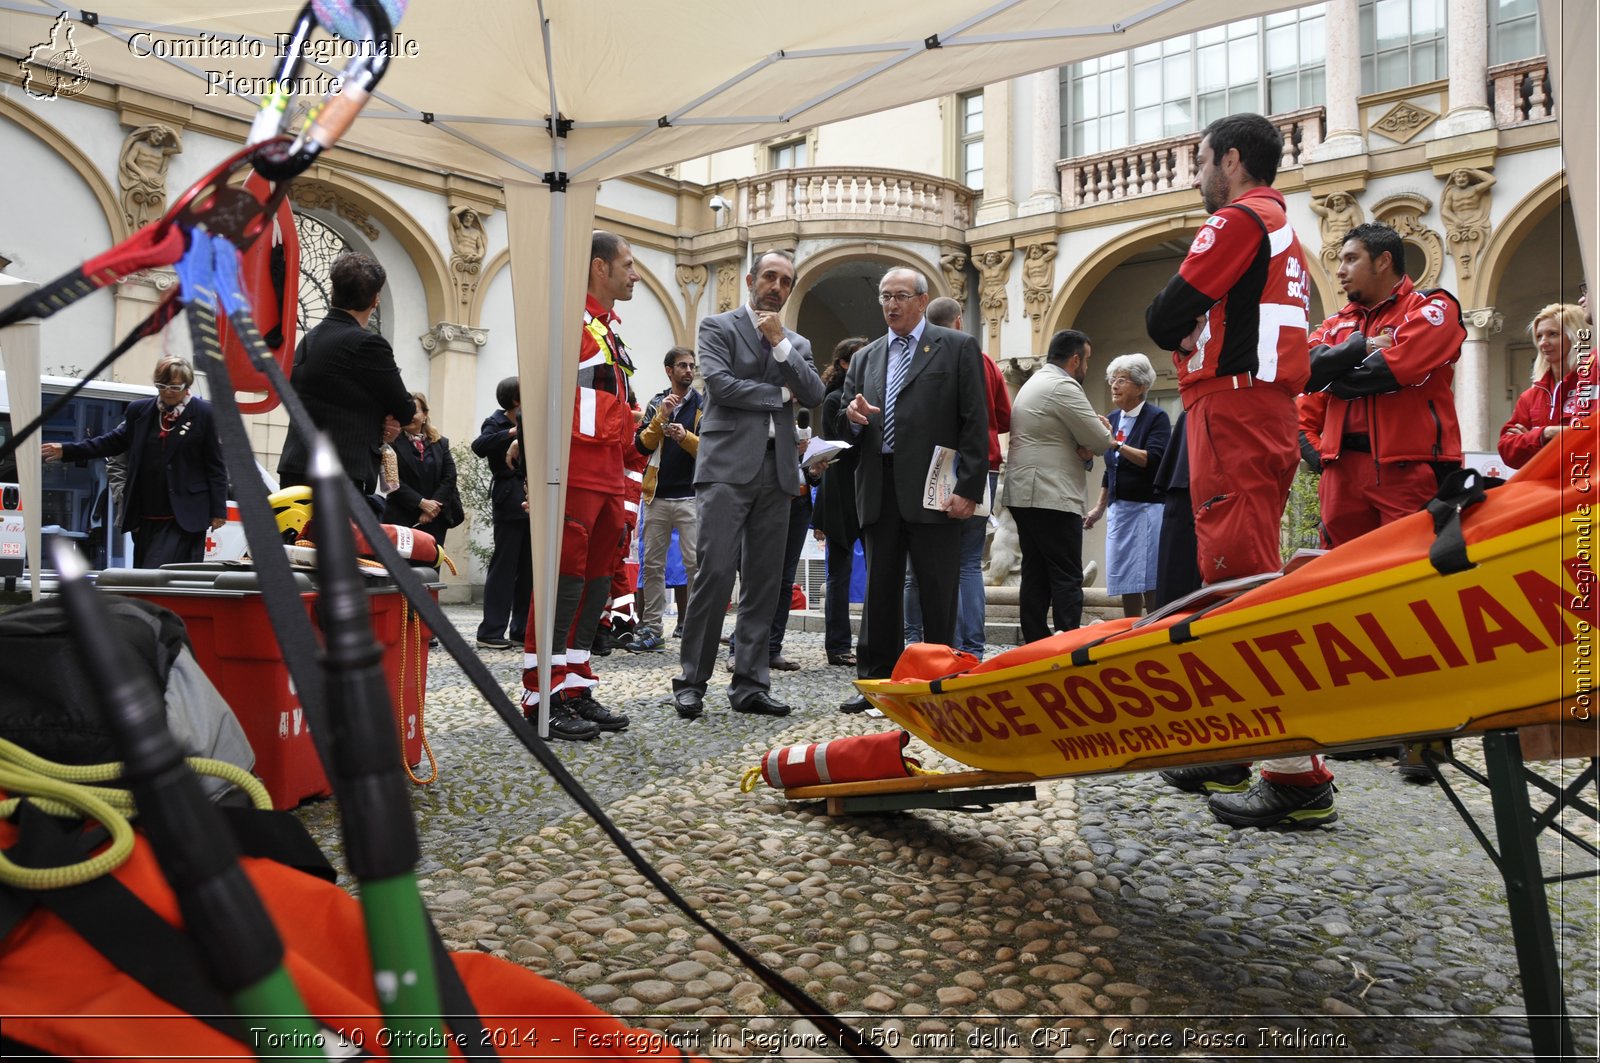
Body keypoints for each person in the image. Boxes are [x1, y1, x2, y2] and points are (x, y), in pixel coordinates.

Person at [1144, 112, 1329, 830]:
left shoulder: (1239, 219)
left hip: (1234, 403)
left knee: (1238, 580)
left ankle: (1292, 773)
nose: (1195, 179)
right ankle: (1235, 742)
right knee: (1240, 569)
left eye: (1199, 164)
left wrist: (1175, 326)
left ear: (1229, 158)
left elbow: (1167, 312)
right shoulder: (1282, 226)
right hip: (1260, 406)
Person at [670, 250, 824, 721]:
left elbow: (815, 393)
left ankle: (751, 684)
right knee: (715, 573)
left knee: (763, 583)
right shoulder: (718, 327)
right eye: (770, 276)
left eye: (786, 280)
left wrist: (780, 346)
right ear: (751, 279)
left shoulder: (795, 342)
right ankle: (691, 680)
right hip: (724, 470)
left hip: (777, 473)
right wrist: (780, 393)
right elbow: (720, 384)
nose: (776, 285)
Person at [835, 267, 988, 713]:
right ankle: (876, 682)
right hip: (878, 486)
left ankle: (937, 679)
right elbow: (846, 421)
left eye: (900, 296)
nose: (891, 304)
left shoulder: (956, 347)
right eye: (885, 296)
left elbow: (975, 420)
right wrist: (853, 417)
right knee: (880, 589)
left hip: (933, 487)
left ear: (922, 301)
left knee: (937, 588)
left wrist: (969, 487)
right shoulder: (866, 358)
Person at [519, 230, 640, 740]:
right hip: (573, 471)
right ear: (599, 267)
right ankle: (539, 694)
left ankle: (573, 685)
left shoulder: (608, 330)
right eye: (628, 264)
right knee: (561, 582)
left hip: (608, 473)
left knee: (593, 585)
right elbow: (541, 398)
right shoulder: (569, 323)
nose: (634, 274)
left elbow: (613, 406)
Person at [1298, 223, 1465, 546]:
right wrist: (1361, 347)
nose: (1340, 271)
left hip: (1408, 469)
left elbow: (1394, 369)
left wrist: (1334, 375)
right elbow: (1303, 372)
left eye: (1350, 259)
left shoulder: (1434, 307)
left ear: (1383, 261)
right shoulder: (1335, 324)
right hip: (1341, 474)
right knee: (1340, 577)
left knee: (1408, 574)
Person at [903, 296, 1012, 657]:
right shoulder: (981, 360)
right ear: (960, 321)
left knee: (919, 564)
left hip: (933, 465)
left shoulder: (922, 357)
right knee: (967, 562)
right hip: (984, 466)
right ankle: (972, 648)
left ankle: (916, 642)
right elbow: (1004, 417)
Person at [42, 356, 226, 568]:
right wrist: (66, 451)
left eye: (174, 387)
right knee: (144, 571)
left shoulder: (204, 414)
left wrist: (218, 511)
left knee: (161, 570)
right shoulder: (140, 411)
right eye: (161, 386)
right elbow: (110, 443)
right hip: (146, 513)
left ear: (187, 386)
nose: (167, 392)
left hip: (184, 513)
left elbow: (216, 466)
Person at [1001, 329, 1114, 642]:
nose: (1087, 368)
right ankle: (1068, 645)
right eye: (1087, 360)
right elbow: (1101, 440)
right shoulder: (1063, 385)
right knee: (1067, 575)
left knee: (1035, 575)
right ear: (1075, 359)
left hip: (1026, 491)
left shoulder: (1034, 382)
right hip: (1052, 492)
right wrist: (1098, 435)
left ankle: (1035, 643)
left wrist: (1087, 444)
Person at [276, 252, 416, 497]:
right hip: (340, 472)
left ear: (332, 292)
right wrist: (387, 416)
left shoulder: (309, 339)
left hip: (295, 468)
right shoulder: (368, 344)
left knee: (298, 537)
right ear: (375, 300)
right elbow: (405, 409)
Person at [1084, 353, 1170, 617]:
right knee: (1124, 576)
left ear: (1141, 386)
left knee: (1148, 576)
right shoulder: (1113, 417)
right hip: (1120, 510)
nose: (1114, 385)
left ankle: (1156, 630)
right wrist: (1099, 508)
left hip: (1147, 509)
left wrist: (1116, 444)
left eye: (1122, 379)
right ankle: (1130, 630)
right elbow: (1112, 469)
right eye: (1112, 379)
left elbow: (1153, 459)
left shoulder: (1156, 417)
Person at [633, 347, 704, 652]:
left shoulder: (704, 406)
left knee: (694, 564)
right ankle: (651, 629)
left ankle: (698, 629)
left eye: (691, 366)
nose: (689, 371)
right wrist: (660, 417)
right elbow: (642, 445)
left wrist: (684, 436)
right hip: (656, 496)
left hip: (691, 496)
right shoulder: (656, 402)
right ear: (669, 371)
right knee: (652, 566)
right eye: (682, 366)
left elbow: (710, 450)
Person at [813, 337, 867, 666]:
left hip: (868, 491)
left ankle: (873, 643)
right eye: (860, 357)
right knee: (839, 573)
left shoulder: (875, 396)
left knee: (878, 572)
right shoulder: (834, 399)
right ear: (845, 364)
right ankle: (837, 645)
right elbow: (840, 443)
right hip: (841, 491)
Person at [473, 377, 531, 650]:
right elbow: (479, 446)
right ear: (516, 400)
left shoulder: (532, 422)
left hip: (532, 498)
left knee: (529, 570)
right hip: (509, 498)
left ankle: (521, 629)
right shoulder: (495, 421)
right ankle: (490, 631)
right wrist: (512, 434)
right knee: (504, 567)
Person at [1499, 302, 1594, 468]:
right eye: (1539, 336)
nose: (1543, 343)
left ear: (1576, 336)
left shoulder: (1593, 385)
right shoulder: (1530, 396)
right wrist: (1545, 434)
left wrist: (1530, 438)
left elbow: (1590, 440)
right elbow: (1507, 450)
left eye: (1553, 334)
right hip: (1543, 485)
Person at [382, 391, 463, 550]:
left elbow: (449, 477)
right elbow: (391, 481)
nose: (410, 416)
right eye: (406, 412)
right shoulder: (390, 443)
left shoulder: (440, 443)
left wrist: (432, 509)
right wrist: (422, 503)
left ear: (425, 414)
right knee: (400, 570)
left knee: (430, 570)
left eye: (415, 411)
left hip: (435, 518)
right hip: (401, 518)